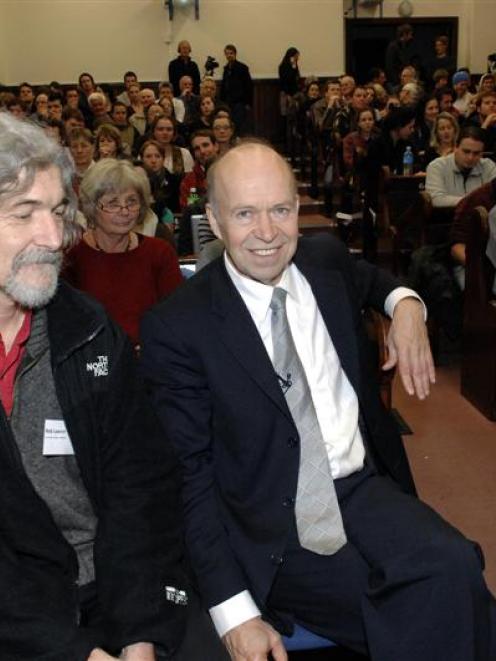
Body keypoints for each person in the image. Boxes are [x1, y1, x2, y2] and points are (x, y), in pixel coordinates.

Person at [141, 140, 496, 661]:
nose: (266, 232)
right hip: (270, 526)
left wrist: (407, 306)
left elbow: (376, 280)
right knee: (421, 601)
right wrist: (233, 610)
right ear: (214, 221)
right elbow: (189, 477)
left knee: (458, 564)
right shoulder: (178, 326)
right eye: (245, 214)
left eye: (280, 210)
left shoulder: (324, 259)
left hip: (358, 488)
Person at [0, 112, 188, 661]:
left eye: (58, 211)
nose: (54, 237)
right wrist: (73, 652)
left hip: (107, 591)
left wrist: (137, 634)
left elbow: (140, 486)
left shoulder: (86, 329)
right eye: (23, 213)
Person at [62, 159, 183, 348]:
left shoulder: (160, 253)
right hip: (93, 364)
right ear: (92, 206)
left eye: (131, 201)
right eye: (112, 203)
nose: (124, 211)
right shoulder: (72, 256)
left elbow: (176, 318)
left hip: (150, 360)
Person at [425, 125, 496, 207]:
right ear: (455, 147)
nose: (470, 157)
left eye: (476, 153)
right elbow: (436, 200)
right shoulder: (437, 166)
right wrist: (473, 201)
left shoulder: (489, 166)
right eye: (466, 151)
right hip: (446, 217)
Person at [179, 129, 219, 209]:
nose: (202, 151)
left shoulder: (231, 173)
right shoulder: (188, 181)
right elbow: (188, 209)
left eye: (205, 145)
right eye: (197, 148)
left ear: (216, 146)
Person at [220, 44, 253, 135]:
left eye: (231, 53)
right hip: (228, 102)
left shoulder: (242, 68)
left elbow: (248, 86)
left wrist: (248, 103)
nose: (229, 55)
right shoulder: (226, 69)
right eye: (227, 53)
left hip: (239, 102)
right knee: (228, 125)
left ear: (235, 54)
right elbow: (224, 86)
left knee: (238, 125)